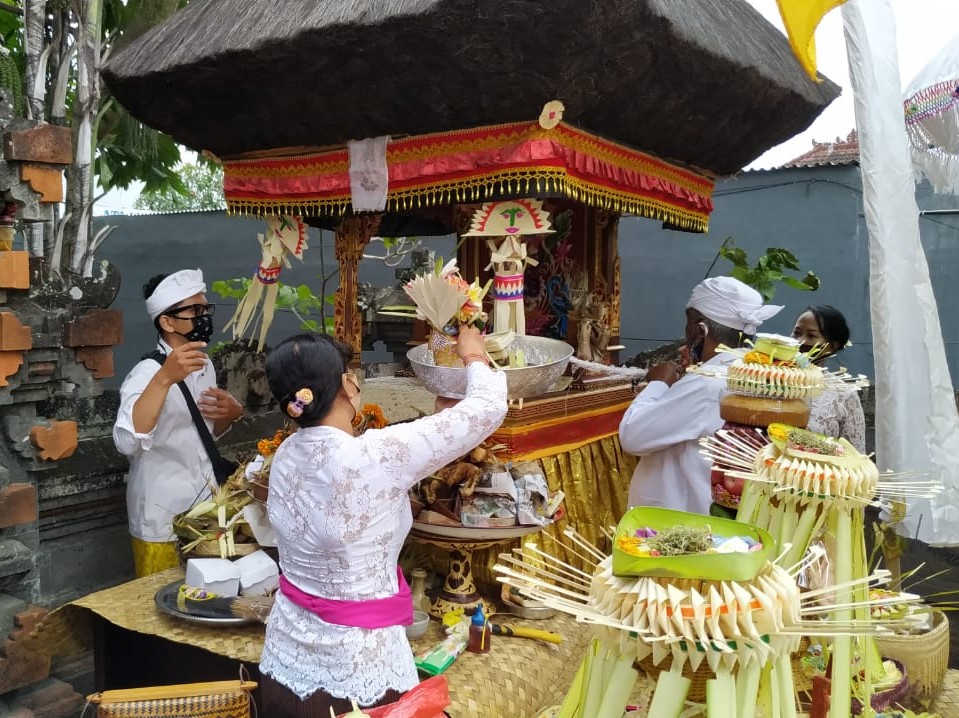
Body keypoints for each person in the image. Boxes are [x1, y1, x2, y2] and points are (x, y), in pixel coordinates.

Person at [259, 325, 507, 717]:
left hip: (285, 662)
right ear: (347, 386)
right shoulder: (374, 455)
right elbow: (488, 408)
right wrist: (474, 354)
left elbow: (350, 517)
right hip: (357, 679)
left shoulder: (287, 454)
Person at [113, 270, 243, 577]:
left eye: (205, 309)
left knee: (211, 591)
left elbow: (205, 435)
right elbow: (127, 441)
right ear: (167, 322)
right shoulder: (145, 373)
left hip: (207, 509)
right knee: (159, 598)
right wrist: (165, 378)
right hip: (163, 514)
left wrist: (231, 415)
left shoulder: (204, 365)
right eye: (194, 311)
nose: (203, 317)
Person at [619, 277, 783, 514]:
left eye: (688, 324)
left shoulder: (708, 382)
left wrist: (658, 383)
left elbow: (633, 436)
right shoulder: (752, 373)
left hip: (682, 520)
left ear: (700, 330)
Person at [791, 304, 866, 452]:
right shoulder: (772, 380)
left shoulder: (844, 394)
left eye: (811, 336)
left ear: (832, 346)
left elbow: (855, 455)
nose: (800, 341)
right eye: (797, 333)